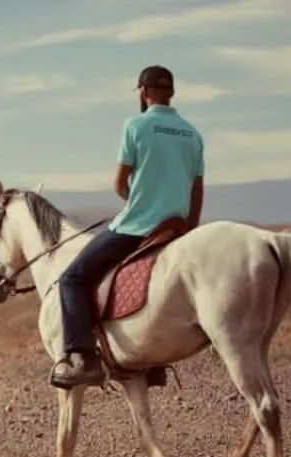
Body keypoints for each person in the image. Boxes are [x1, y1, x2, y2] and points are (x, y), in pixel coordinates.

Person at [51, 65, 204, 389]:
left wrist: (137, 201)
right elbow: (197, 188)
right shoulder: (192, 133)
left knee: (73, 279)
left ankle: (82, 358)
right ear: (171, 93)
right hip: (175, 227)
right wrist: (188, 226)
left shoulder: (135, 125)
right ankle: (152, 364)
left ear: (143, 92)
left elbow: (120, 183)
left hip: (138, 225)